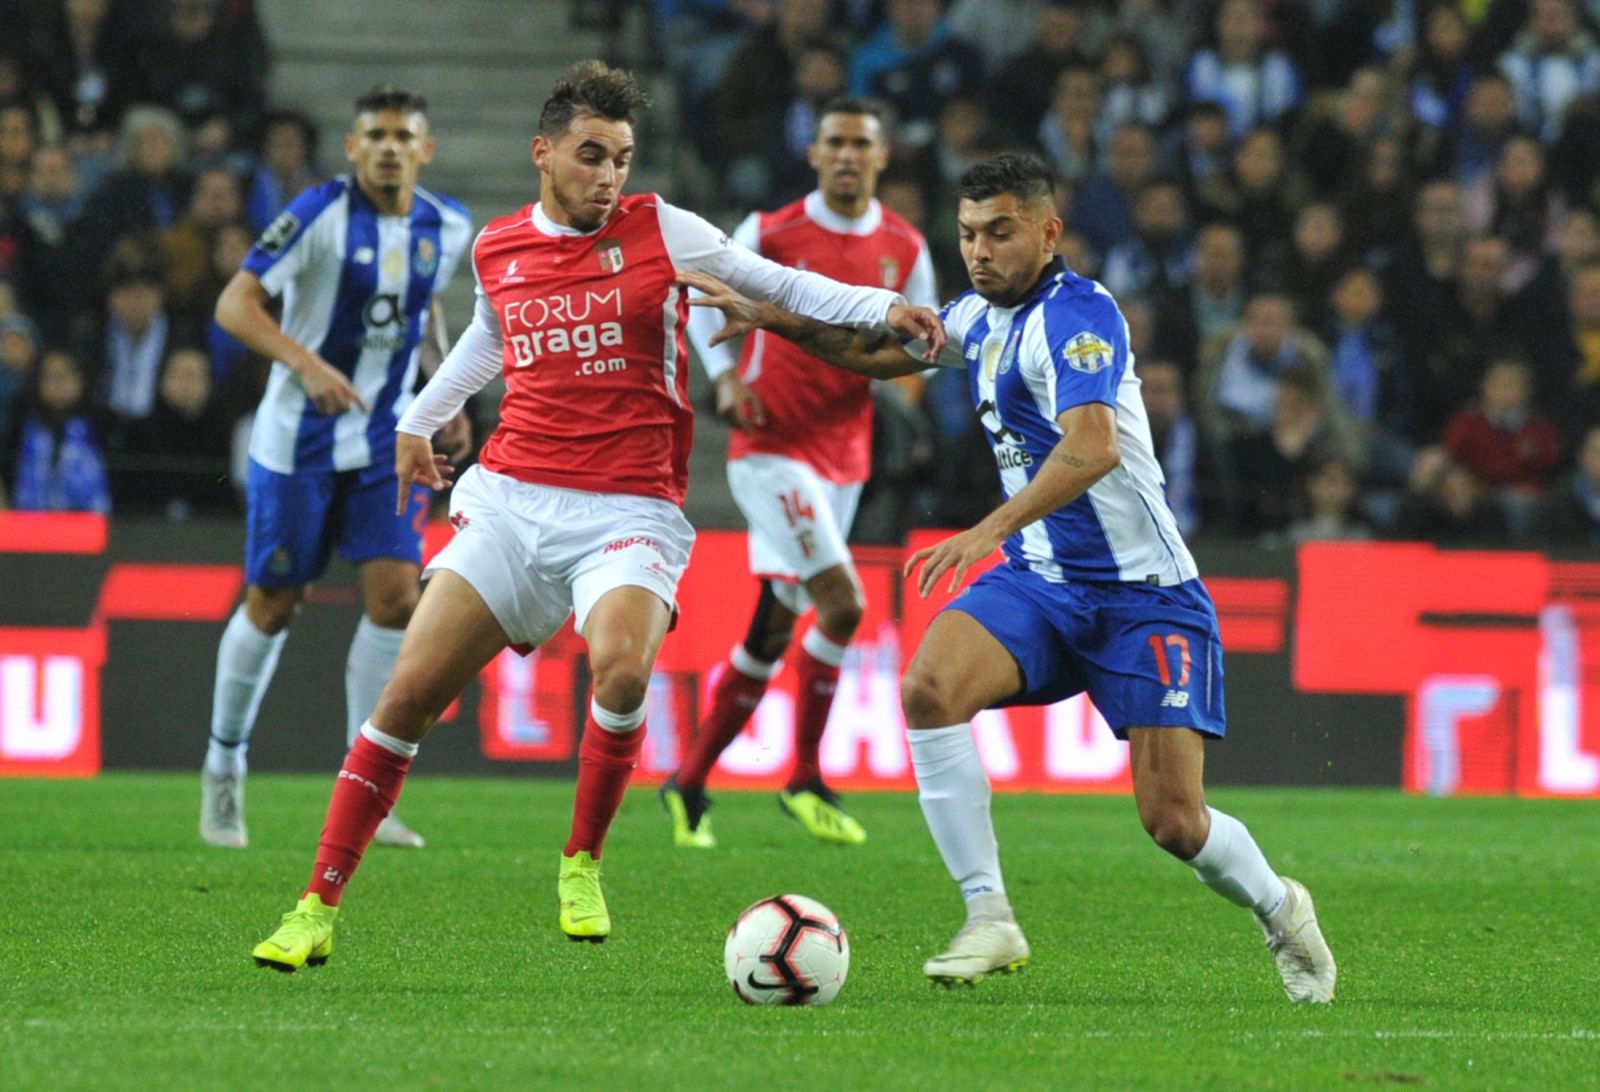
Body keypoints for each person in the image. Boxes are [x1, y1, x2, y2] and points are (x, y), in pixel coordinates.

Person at [248, 60, 942, 969]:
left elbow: (783, 283)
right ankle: (315, 906)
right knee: (406, 698)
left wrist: (885, 305)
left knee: (620, 672)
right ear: (543, 153)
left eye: (620, 158)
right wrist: (418, 422)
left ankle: (581, 859)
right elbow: (489, 339)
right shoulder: (498, 247)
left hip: (629, 507)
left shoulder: (663, 229)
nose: (608, 176)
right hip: (512, 498)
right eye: (590, 156)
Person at [680, 152, 1336, 1002]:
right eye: (967, 234)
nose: (979, 250)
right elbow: (880, 354)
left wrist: (985, 531)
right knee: (926, 689)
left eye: (999, 232)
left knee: (1173, 821)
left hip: (1145, 598)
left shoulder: (1080, 315)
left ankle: (1282, 909)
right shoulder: (976, 319)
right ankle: (988, 915)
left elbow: (1093, 446)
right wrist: (771, 316)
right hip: (1041, 583)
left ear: (1047, 231)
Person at [199, 86, 474, 853]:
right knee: (275, 602)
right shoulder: (319, 213)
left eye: (403, 136)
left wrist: (442, 387)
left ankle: (367, 789)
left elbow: (423, 312)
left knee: (395, 602)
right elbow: (235, 304)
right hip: (300, 439)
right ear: (353, 149)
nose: (389, 147)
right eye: (375, 135)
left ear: (426, 149)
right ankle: (225, 762)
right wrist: (306, 363)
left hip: (387, 436)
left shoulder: (447, 225)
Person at [660, 95, 938, 850]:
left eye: (861, 144)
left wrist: (898, 377)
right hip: (771, 447)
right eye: (835, 142)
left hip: (845, 455)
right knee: (843, 607)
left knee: (770, 631)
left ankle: (688, 784)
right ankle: (805, 777)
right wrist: (723, 379)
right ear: (813, 153)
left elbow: (924, 343)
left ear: (882, 158)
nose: (848, 155)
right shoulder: (772, 230)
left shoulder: (906, 247)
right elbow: (705, 301)